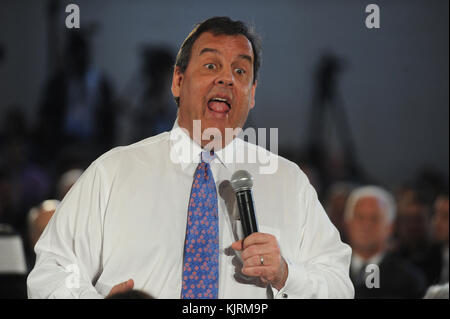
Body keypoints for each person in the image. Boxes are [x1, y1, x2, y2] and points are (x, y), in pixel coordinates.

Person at [27, 16, 354, 299]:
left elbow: (339, 285)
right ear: (178, 81)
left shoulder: (289, 182)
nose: (226, 78)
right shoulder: (112, 173)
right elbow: (52, 272)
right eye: (211, 65)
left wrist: (286, 274)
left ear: (252, 94)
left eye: (241, 71)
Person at [345, 186, 426, 298]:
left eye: (374, 218)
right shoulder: (328, 271)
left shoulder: (410, 281)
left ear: (390, 227)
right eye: (360, 217)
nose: (366, 226)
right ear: (348, 223)